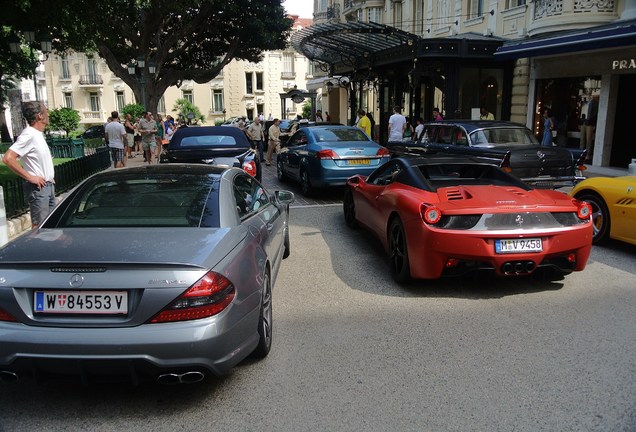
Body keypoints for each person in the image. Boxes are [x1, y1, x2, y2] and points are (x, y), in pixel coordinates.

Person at [2, 101, 55, 229]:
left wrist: (49, 176)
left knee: (51, 225)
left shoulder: (37, 135)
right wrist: (30, 177)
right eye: (45, 110)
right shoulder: (29, 134)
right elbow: (8, 158)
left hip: (48, 186)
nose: (48, 113)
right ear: (39, 116)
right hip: (39, 189)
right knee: (40, 228)